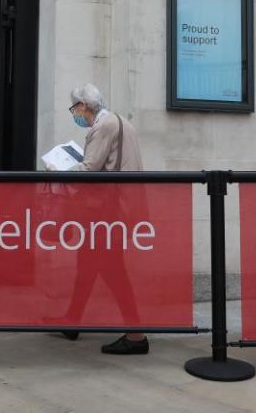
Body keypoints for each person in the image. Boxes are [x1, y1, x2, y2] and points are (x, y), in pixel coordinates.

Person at [62, 83, 148, 355]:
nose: (74, 114)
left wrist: (59, 170)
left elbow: (89, 169)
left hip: (107, 212)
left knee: (112, 271)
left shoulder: (103, 127)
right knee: (87, 265)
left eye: (73, 108)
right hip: (120, 208)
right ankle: (72, 321)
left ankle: (136, 335)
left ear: (83, 106)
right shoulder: (121, 122)